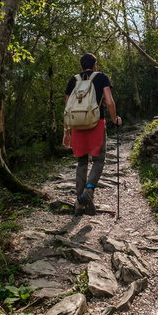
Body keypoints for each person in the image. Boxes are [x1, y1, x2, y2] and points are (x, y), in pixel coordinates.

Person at [63, 53, 121, 216]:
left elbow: (67, 108)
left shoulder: (73, 80)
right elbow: (109, 101)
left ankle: (79, 205)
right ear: (94, 64)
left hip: (76, 126)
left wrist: (66, 132)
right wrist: (114, 119)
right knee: (99, 159)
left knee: (82, 162)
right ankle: (88, 192)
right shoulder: (101, 77)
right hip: (96, 123)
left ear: (82, 65)